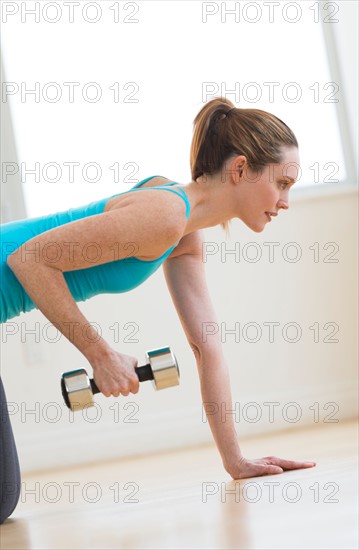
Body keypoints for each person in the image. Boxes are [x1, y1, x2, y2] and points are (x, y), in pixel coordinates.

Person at [0, 96, 316, 523]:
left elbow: (208, 349)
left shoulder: (183, 231)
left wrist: (235, 460)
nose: (285, 201)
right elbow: (28, 259)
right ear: (240, 168)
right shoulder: (165, 214)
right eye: (282, 183)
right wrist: (101, 355)